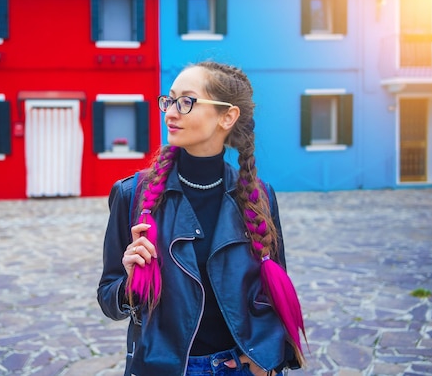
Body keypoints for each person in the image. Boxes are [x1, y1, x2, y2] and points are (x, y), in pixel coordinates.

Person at [97, 61, 306, 376]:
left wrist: (268, 361)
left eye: (186, 101)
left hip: (240, 368)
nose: (170, 112)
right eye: (169, 100)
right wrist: (130, 282)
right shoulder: (131, 195)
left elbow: (273, 293)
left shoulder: (260, 195)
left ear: (227, 116)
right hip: (165, 368)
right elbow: (108, 299)